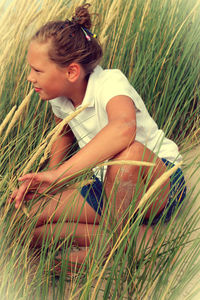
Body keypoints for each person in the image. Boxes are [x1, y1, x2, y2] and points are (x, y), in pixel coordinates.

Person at [9, 4, 186, 268]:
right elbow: (64, 135)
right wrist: (50, 179)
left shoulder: (110, 83)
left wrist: (60, 175)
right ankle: (129, 238)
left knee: (129, 154)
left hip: (157, 183)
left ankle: (112, 247)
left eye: (37, 70)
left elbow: (124, 128)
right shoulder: (58, 97)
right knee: (20, 223)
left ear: (71, 72)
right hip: (108, 190)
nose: (29, 77)